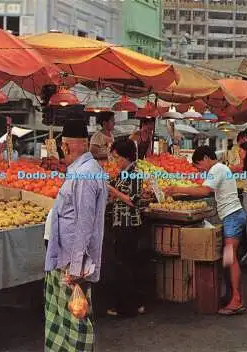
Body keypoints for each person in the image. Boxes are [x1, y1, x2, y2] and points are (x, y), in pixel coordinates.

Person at [44, 116, 107, 351]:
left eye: (64, 145)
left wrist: (76, 268)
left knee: (74, 319)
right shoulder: (81, 171)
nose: (63, 150)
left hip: (71, 262)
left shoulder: (85, 174)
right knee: (62, 318)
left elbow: (84, 225)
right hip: (64, 257)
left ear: (71, 145)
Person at [164, 146, 247, 315]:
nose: (199, 168)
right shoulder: (221, 168)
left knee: (231, 259)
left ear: (206, 158)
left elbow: (204, 190)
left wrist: (176, 189)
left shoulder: (216, 169)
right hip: (233, 216)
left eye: (199, 164)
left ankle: (237, 300)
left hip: (232, 218)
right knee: (228, 258)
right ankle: (232, 296)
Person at [105, 139, 146, 317]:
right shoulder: (122, 174)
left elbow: (133, 200)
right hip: (120, 222)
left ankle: (127, 307)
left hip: (128, 224)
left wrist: (112, 191)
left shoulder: (135, 173)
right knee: (125, 264)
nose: (115, 161)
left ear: (125, 157)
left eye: (117, 157)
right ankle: (132, 304)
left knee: (125, 265)